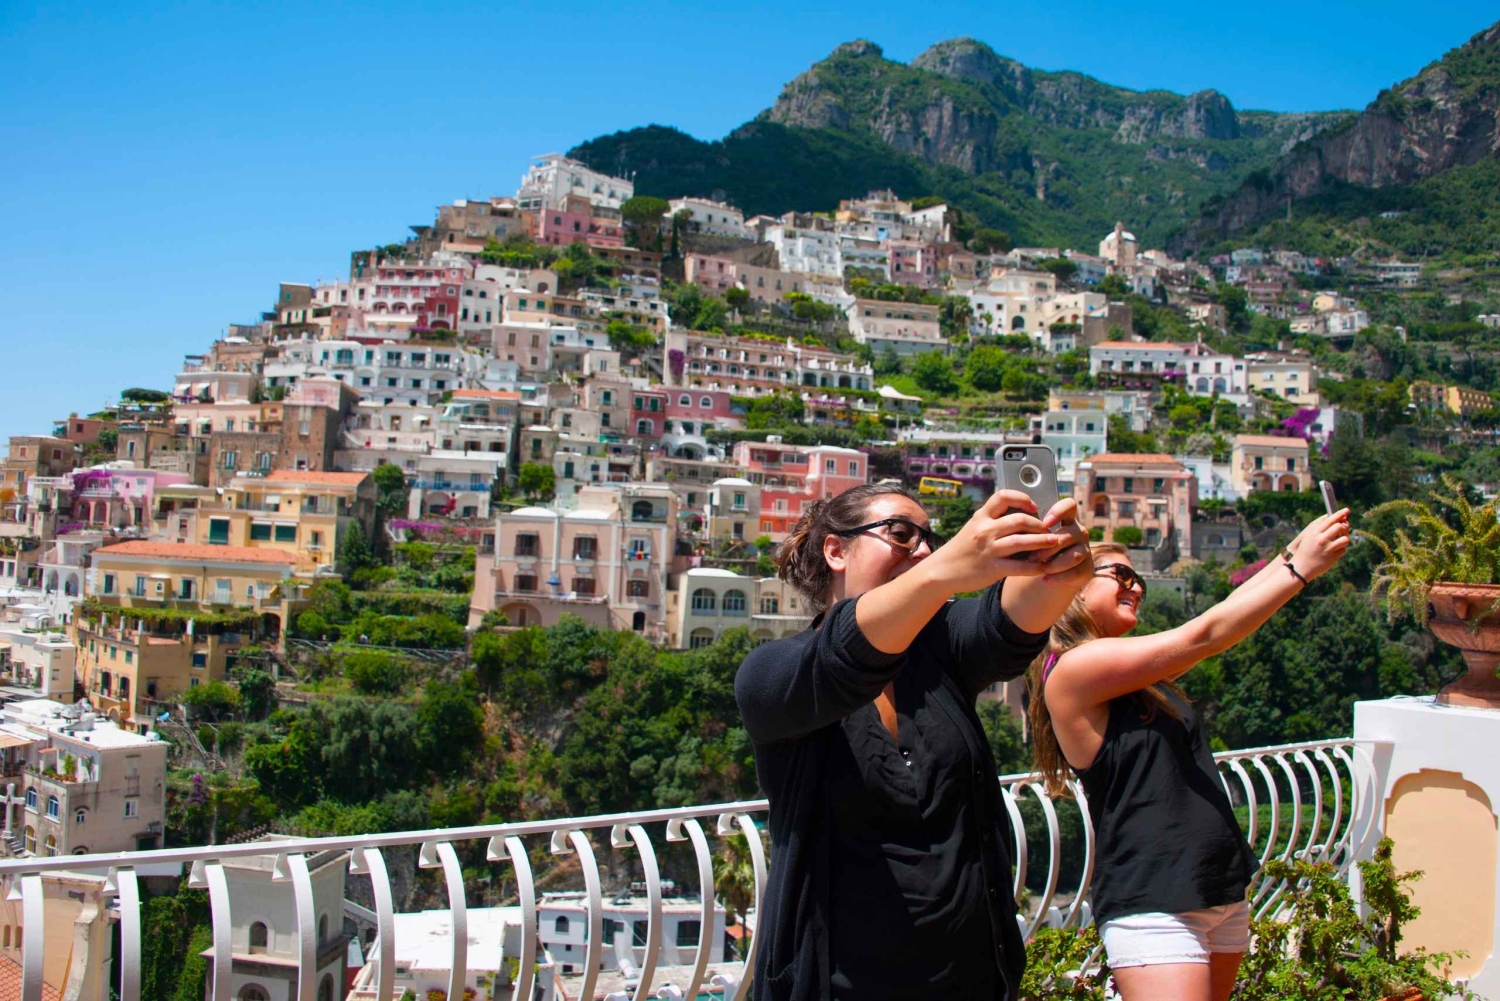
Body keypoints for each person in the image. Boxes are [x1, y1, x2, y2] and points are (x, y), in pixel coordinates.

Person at [735, 481, 1093, 1001]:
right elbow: (844, 655)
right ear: (836, 549)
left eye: (929, 538)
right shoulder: (774, 675)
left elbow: (1008, 622)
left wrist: (1057, 566)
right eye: (901, 534)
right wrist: (947, 566)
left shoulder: (939, 649)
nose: (923, 549)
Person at [1029, 510, 1352, 1001]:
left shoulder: (1127, 671)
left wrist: (1294, 553)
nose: (1136, 587)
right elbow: (1205, 635)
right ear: (1071, 586)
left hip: (1213, 887)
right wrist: (1299, 568)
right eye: (1120, 574)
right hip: (1156, 901)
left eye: (1138, 578)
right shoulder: (1073, 669)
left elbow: (1224, 610)